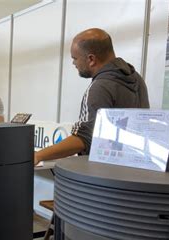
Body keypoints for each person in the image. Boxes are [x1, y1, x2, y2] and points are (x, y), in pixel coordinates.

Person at [34, 28, 149, 164]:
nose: (74, 63)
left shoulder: (99, 88)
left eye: (75, 58)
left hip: (104, 174)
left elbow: (84, 138)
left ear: (91, 59)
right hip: (134, 170)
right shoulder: (137, 79)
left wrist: (39, 155)